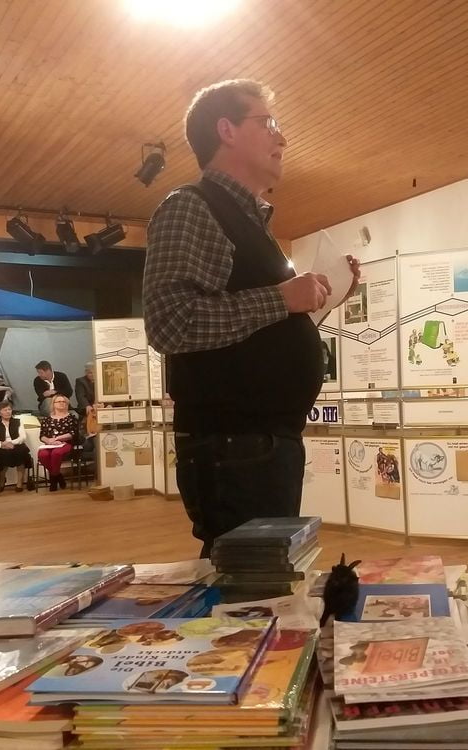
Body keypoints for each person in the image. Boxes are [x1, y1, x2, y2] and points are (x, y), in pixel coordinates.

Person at [142, 79, 360, 557]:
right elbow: (169, 323)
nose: (282, 137)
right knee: (246, 587)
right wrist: (282, 300)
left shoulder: (247, 221)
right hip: (234, 447)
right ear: (227, 130)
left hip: (258, 444)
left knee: (261, 582)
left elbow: (253, 335)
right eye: (268, 123)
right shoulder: (190, 208)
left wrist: (317, 300)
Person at [0, 400, 33, 493]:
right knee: (2, 455)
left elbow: (22, 437)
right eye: (5, 410)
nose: (8, 412)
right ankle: (1, 481)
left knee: (21, 452)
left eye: (9, 409)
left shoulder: (18, 422)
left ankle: (20, 482)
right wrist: (3, 444)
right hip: (2, 447)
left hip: (17, 445)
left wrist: (11, 443)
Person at [38, 394, 78, 491]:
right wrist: (49, 441)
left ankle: (53, 480)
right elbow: (42, 436)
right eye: (59, 401)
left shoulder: (71, 417)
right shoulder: (47, 419)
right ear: (53, 404)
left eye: (64, 402)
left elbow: (72, 433)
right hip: (50, 444)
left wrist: (57, 439)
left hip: (66, 443)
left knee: (56, 453)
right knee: (42, 454)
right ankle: (58, 475)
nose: (61, 403)